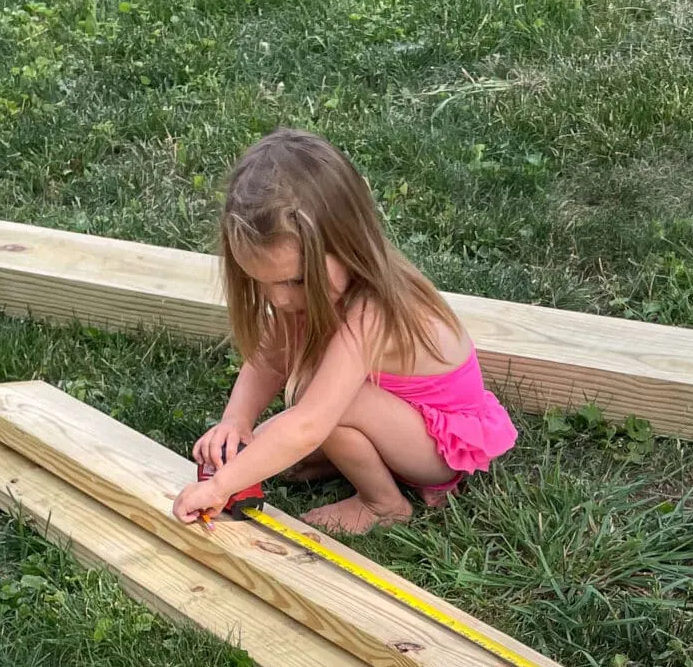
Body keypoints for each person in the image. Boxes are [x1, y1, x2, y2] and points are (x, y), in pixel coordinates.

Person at [172, 130, 517, 538]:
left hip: (440, 447)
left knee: (318, 403)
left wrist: (219, 488)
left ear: (348, 244)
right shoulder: (306, 291)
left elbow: (310, 423)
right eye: (260, 282)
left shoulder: (374, 310)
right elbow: (269, 359)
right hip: (398, 423)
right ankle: (347, 460)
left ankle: (383, 504)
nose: (278, 299)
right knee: (278, 441)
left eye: (293, 281)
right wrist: (236, 421)